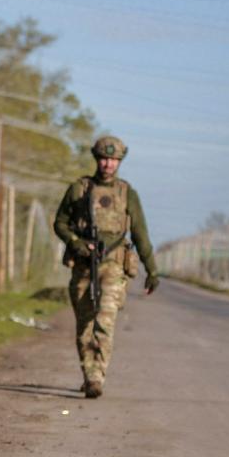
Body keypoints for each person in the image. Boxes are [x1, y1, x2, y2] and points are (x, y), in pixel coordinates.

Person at [53, 135, 158, 399]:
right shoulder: (79, 189)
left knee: (104, 321)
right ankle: (88, 372)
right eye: (104, 158)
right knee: (84, 324)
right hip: (83, 265)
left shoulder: (126, 193)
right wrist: (76, 243)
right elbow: (60, 223)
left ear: (119, 161)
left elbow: (140, 234)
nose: (108, 164)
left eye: (113, 159)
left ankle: (96, 376)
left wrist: (152, 271)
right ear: (96, 159)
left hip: (113, 266)